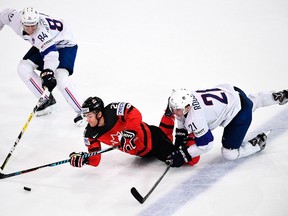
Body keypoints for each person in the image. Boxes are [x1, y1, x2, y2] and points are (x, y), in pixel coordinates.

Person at [164, 84, 288, 167]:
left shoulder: (195, 119)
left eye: (176, 109)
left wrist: (183, 155)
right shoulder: (187, 97)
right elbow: (180, 117)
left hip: (239, 114)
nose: (173, 111)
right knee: (249, 102)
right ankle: (274, 97)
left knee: (229, 154)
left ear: (187, 108)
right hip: (232, 92)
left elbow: (207, 144)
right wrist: (180, 137)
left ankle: (256, 144)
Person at [0, 7, 84, 125]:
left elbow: (51, 55)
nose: (30, 29)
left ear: (37, 22)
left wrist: (48, 72)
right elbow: (4, 15)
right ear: (21, 22)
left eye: (33, 25)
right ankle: (46, 100)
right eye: (27, 26)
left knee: (61, 79)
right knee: (23, 68)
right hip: (45, 44)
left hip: (65, 44)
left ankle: (84, 111)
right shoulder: (15, 18)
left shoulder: (41, 33)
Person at [69, 96, 200, 168]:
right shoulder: (90, 134)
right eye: (86, 117)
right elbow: (95, 159)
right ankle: (168, 114)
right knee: (166, 138)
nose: (87, 120)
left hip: (152, 140)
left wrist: (129, 132)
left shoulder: (113, 110)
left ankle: (194, 132)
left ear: (99, 114)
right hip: (144, 153)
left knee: (190, 160)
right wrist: (84, 159)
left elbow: (134, 113)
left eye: (90, 116)